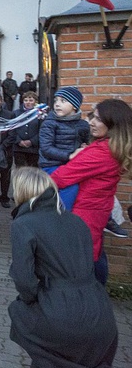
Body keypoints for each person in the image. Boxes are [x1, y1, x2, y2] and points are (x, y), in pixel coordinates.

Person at [8, 168, 122, 368]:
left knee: (19, 312)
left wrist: (38, 299)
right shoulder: (77, 221)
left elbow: (24, 281)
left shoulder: (23, 224)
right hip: (101, 313)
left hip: (60, 317)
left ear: (21, 192)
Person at [51, 99, 132, 285]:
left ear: (112, 124)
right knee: (95, 254)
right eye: (92, 117)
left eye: (98, 119)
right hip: (97, 211)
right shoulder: (110, 148)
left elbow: (60, 178)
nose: (91, 123)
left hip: (84, 215)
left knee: (85, 263)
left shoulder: (102, 153)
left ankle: (91, 301)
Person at [38, 86, 90, 211]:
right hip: (51, 165)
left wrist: (85, 147)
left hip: (72, 166)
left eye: (63, 101)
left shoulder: (83, 125)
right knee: (70, 187)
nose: (57, 104)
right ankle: (62, 216)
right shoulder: (50, 123)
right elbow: (46, 148)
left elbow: (86, 142)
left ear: (74, 106)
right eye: (56, 101)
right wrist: (69, 156)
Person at [10, 91, 41, 167]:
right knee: (20, 172)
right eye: (26, 100)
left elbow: (42, 130)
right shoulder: (16, 113)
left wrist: (32, 141)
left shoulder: (40, 114)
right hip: (19, 148)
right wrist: (19, 141)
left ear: (35, 102)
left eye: (31, 100)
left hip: (34, 149)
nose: (28, 102)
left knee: (33, 172)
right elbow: (12, 129)